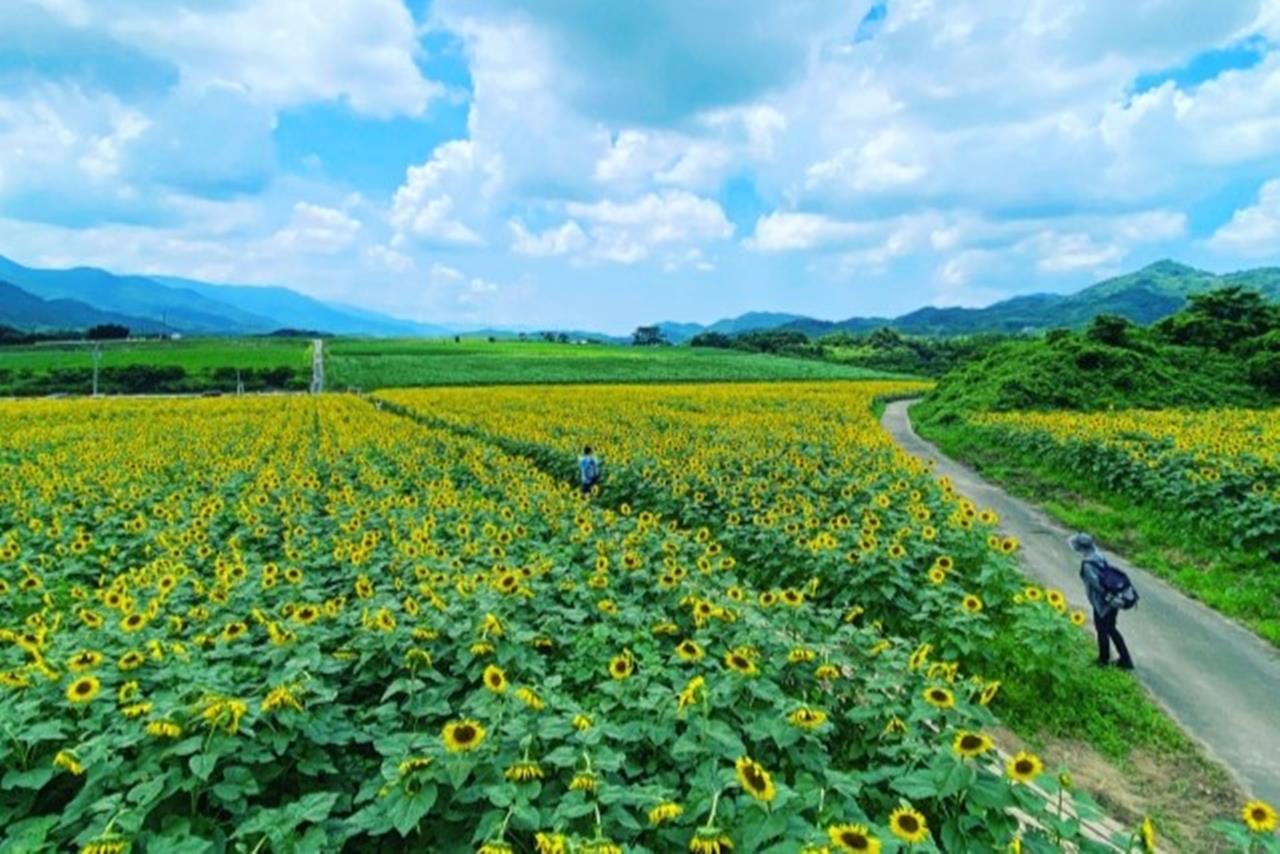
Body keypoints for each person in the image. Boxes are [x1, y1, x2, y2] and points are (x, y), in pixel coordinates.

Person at [1069, 532, 1134, 670]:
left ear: (1080, 547)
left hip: (1103, 603)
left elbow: (1097, 585)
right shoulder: (1099, 555)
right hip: (1114, 600)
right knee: (1111, 629)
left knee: (1102, 630)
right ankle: (1125, 659)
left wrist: (1105, 599)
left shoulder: (1087, 564)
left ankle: (1103, 660)